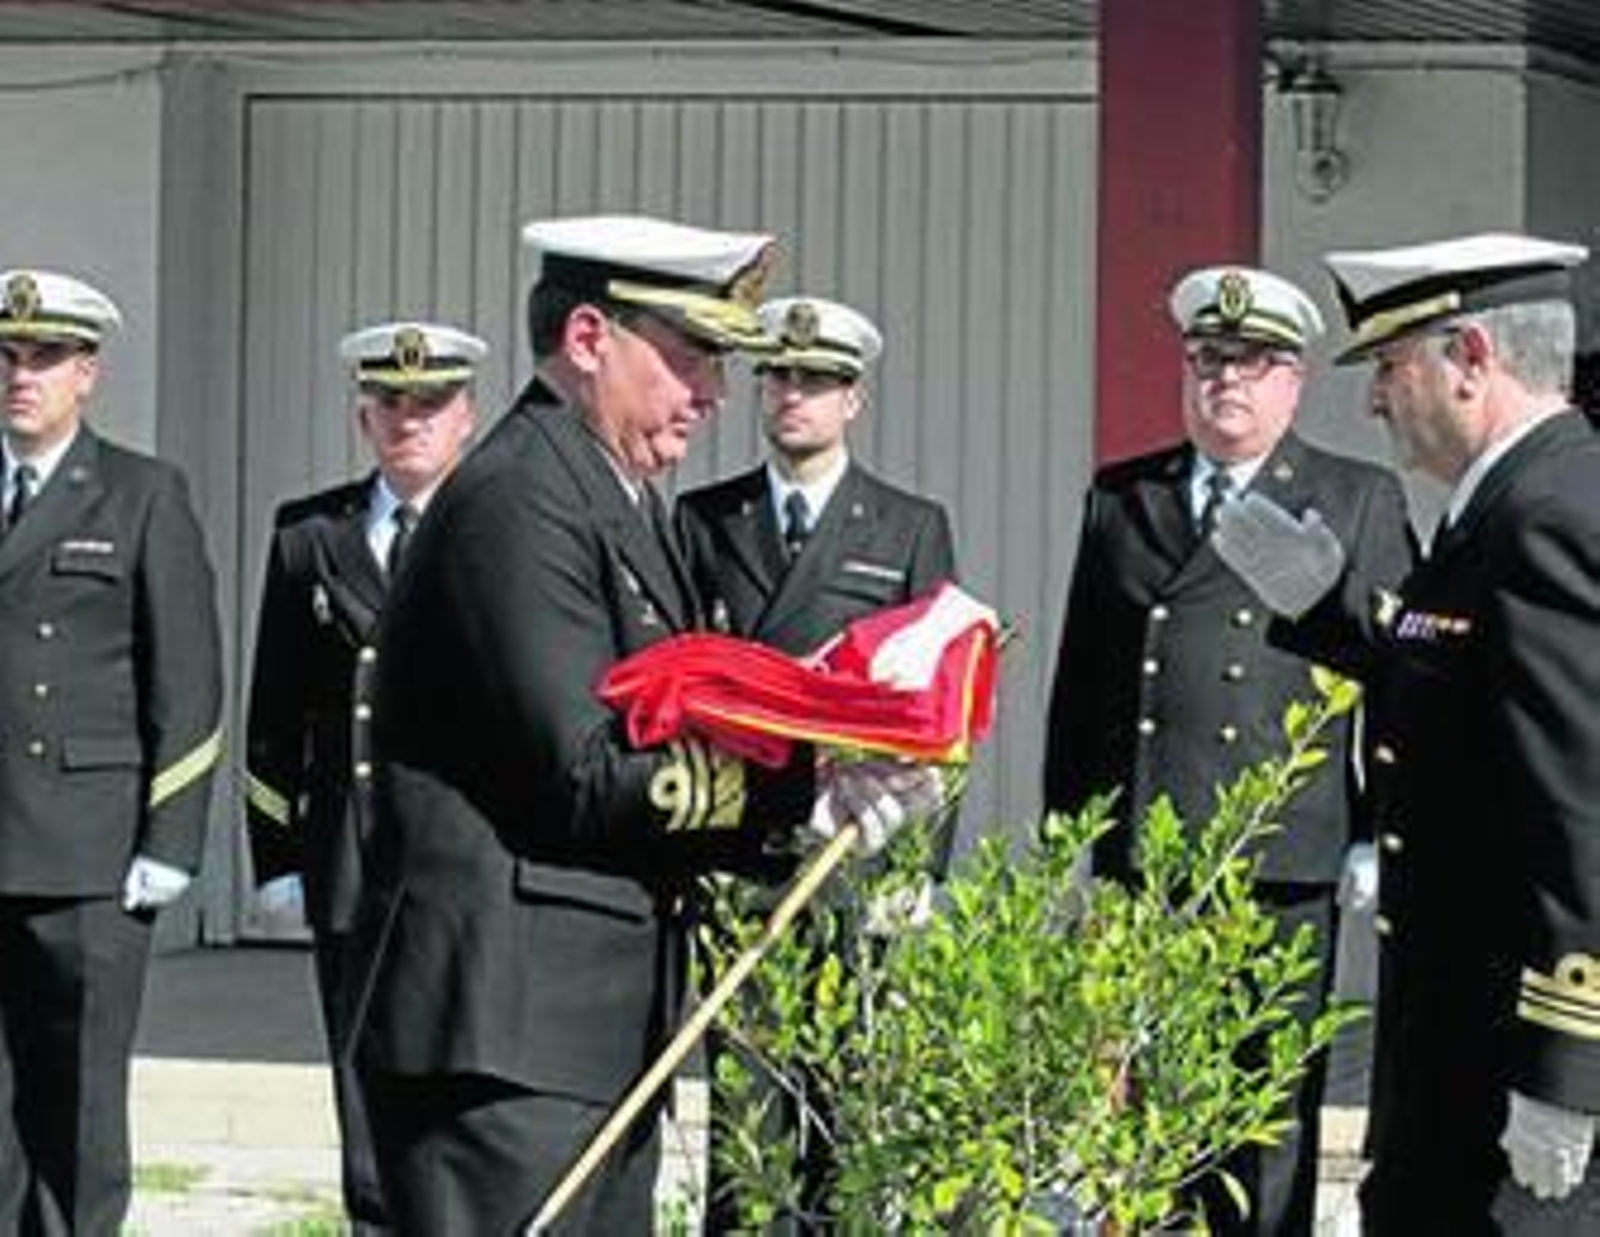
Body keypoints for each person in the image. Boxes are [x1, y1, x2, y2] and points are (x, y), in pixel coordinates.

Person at [345, 215, 941, 1236]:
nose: (712, 392)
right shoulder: (522, 499)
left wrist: (816, 749)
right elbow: (581, 768)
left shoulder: (614, 497)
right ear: (588, 340)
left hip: (582, 1024)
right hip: (505, 1028)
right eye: (690, 354)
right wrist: (803, 782)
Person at [1235, 231, 1600, 1233]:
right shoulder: (1504, 505)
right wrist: (1334, 611)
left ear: (1472, 359)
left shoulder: (1548, 515)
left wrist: (1570, 1062)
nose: (1375, 399)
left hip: (1510, 1045)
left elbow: (1580, 799)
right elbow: (1474, 689)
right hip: (1452, 1034)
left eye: (1391, 366)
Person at [1043, 265, 1416, 1235]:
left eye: (1252, 364)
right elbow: (1084, 684)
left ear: (1291, 383)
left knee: (1267, 1109)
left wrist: (1378, 830)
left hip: (1281, 856)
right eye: (1208, 360)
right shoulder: (1125, 497)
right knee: (1155, 1107)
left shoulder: (1352, 496)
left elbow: (1402, 681)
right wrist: (1068, 841)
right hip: (1151, 865)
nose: (1226, 382)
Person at [677, 294, 957, 1231]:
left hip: (853, 865)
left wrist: (916, 873)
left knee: (848, 1117)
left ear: (854, 399)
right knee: (747, 1125)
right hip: (744, 858)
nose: (794, 394)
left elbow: (938, 719)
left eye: (818, 380)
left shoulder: (909, 526)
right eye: (781, 376)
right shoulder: (703, 520)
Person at [244, 320, 486, 1234]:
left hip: (464, 860)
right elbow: (277, 713)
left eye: (429, 404)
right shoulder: (310, 535)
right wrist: (275, 856)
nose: (409, 420)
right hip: (351, 856)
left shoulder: (497, 528)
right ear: (362, 416)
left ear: (466, 416)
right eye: (390, 402)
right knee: (359, 1090)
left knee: (458, 1077)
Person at [0, 269, 223, 1234]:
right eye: (7, 357)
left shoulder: (139, 493)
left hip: (86, 852)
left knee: (81, 1107)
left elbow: (190, 680)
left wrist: (170, 838)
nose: (21, 376)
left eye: (44, 357)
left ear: (87, 372)